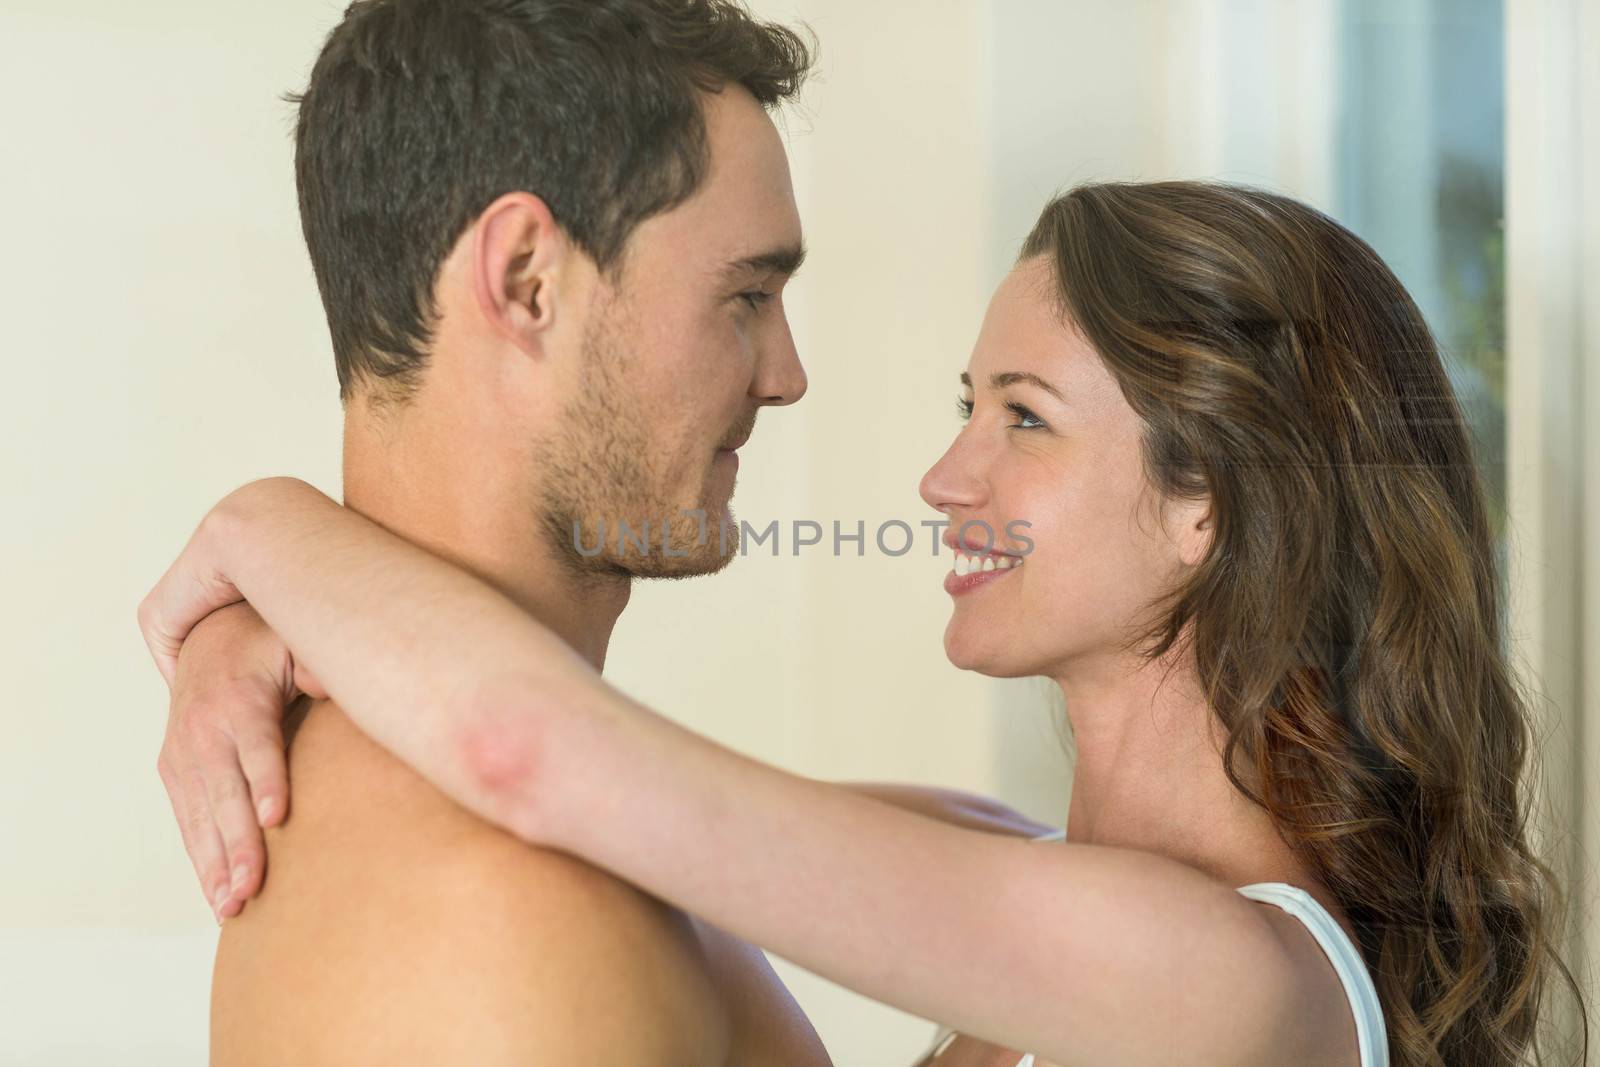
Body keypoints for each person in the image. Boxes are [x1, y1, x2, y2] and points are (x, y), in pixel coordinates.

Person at [141, 179, 1591, 1065]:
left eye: (1022, 416)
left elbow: (536, 752)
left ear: (1204, 494)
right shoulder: (997, 853)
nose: (945, 476)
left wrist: (262, 528)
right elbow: (570, 807)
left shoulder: (1231, 978)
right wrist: (244, 637)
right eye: (966, 408)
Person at [138, 0, 956, 1062]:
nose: (785, 375)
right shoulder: (507, 907)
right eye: (745, 293)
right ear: (526, 278)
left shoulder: (577, 827)